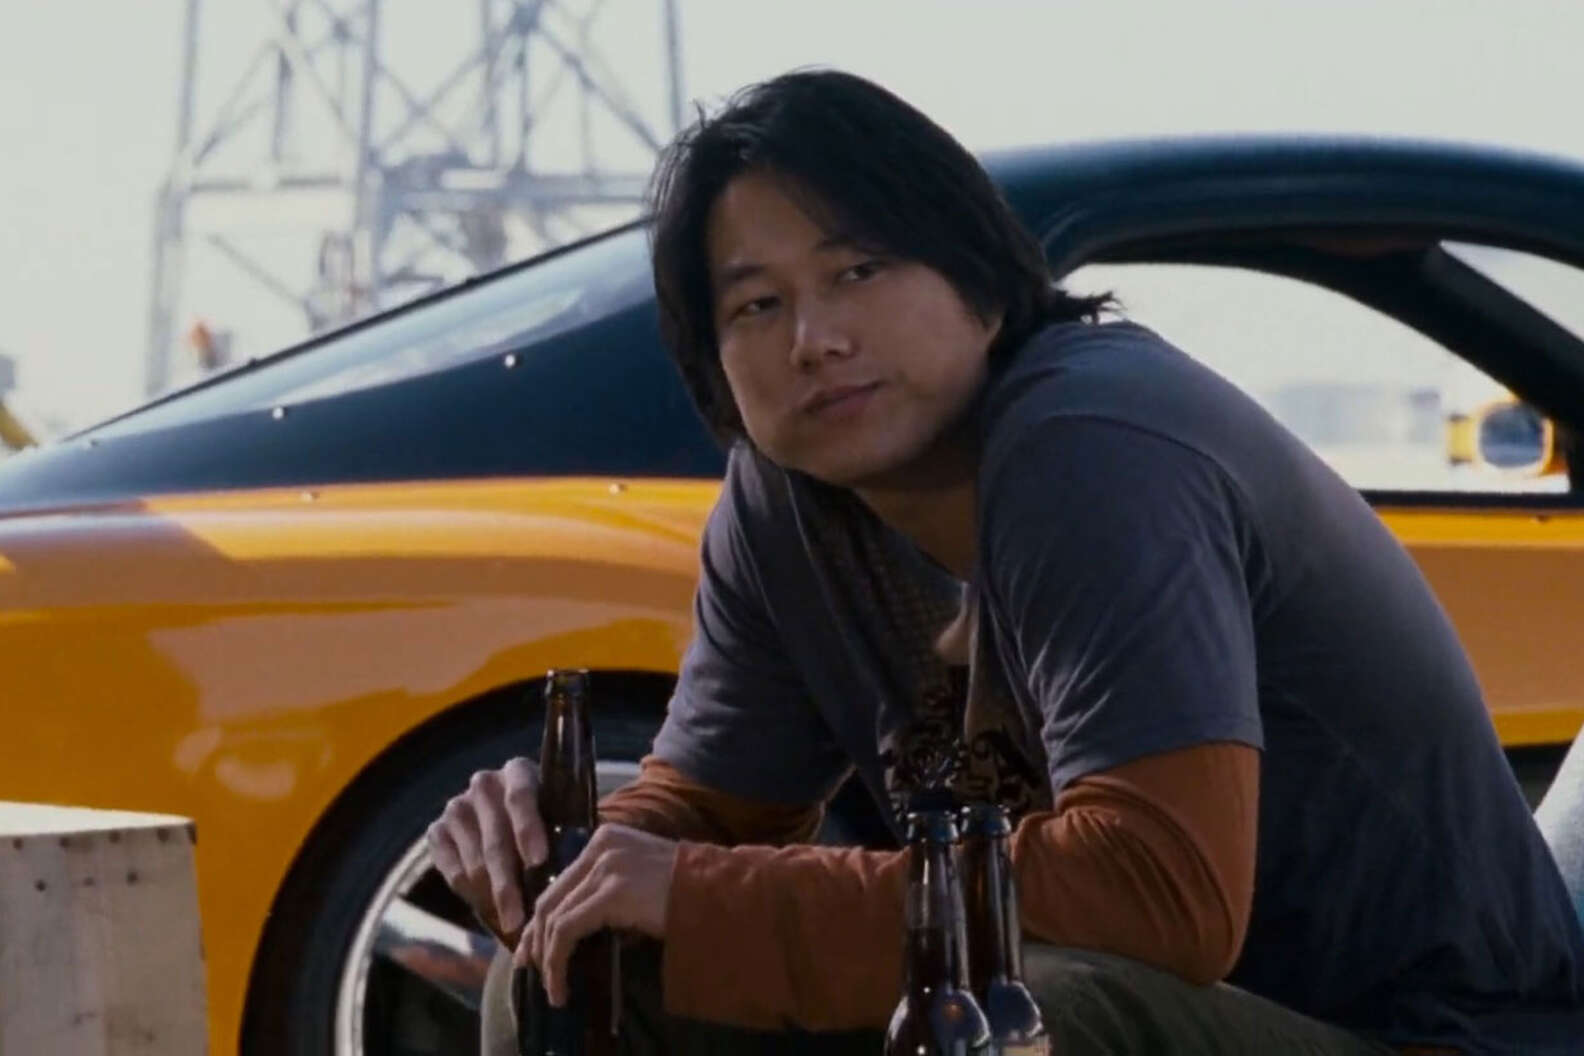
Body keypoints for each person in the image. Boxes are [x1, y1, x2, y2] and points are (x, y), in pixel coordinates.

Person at [427, 69, 1584, 1055]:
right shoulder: (785, 501)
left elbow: (1159, 893)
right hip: (1148, 997)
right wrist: (568, 852)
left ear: (978, 278)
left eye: (858, 272)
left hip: (1426, 1031)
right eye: (757, 305)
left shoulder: (1094, 442)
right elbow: (710, 810)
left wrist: (697, 893)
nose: (815, 339)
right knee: (573, 970)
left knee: (1018, 1014)